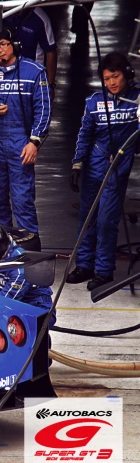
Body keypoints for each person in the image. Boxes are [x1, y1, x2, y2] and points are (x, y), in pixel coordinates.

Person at [66, 52, 140, 291]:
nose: (112, 83)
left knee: (107, 219)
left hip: (120, 160)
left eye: (115, 76)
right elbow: (84, 134)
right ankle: (85, 265)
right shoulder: (94, 102)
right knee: (88, 217)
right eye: (107, 78)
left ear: (127, 75)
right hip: (95, 161)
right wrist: (77, 164)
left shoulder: (138, 100)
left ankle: (104, 270)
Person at [0, 27, 51, 236]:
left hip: (21, 140)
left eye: (3, 44)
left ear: (15, 46)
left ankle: (30, 255)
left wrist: (34, 141)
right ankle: (2, 254)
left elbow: (44, 109)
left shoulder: (34, 72)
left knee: (23, 200)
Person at [4, 0, 58, 99]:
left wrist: (50, 85)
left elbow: (51, 52)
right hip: (6, 76)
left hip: (32, 76)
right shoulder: (1, 13)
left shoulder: (41, 18)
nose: (14, 0)